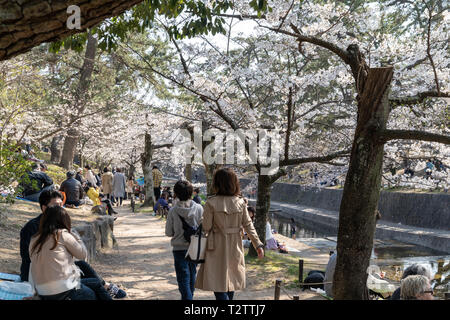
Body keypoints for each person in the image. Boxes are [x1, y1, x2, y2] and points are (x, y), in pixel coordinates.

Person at [19, 189, 126, 299]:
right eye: (56, 206)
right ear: (44, 208)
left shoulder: (53, 228)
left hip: (50, 284)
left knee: (82, 266)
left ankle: (106, 286)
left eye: (61, 205)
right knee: (92, 289)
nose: (60, 208)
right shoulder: (34, 229)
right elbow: (30, 259)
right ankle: (105, 287)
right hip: (39, 279)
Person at [195, 168, 264, 300]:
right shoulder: (241, 202)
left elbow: (206, 227)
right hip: (235, 245)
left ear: (217, 183)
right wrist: (258, 244)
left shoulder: (211, 202)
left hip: (215, 246)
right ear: (234, 183)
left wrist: (203, 219)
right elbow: (249, 225)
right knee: (231, 281)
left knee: (217, 282)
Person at [165, 180, 204, 300]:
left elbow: (168, 232)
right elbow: (203, 229)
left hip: (179, 249)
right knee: (192, 276)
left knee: (183, 278)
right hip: (195, 248)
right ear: (191, 192)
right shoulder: (199, 208)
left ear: (176, 193)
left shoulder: (173, 211)